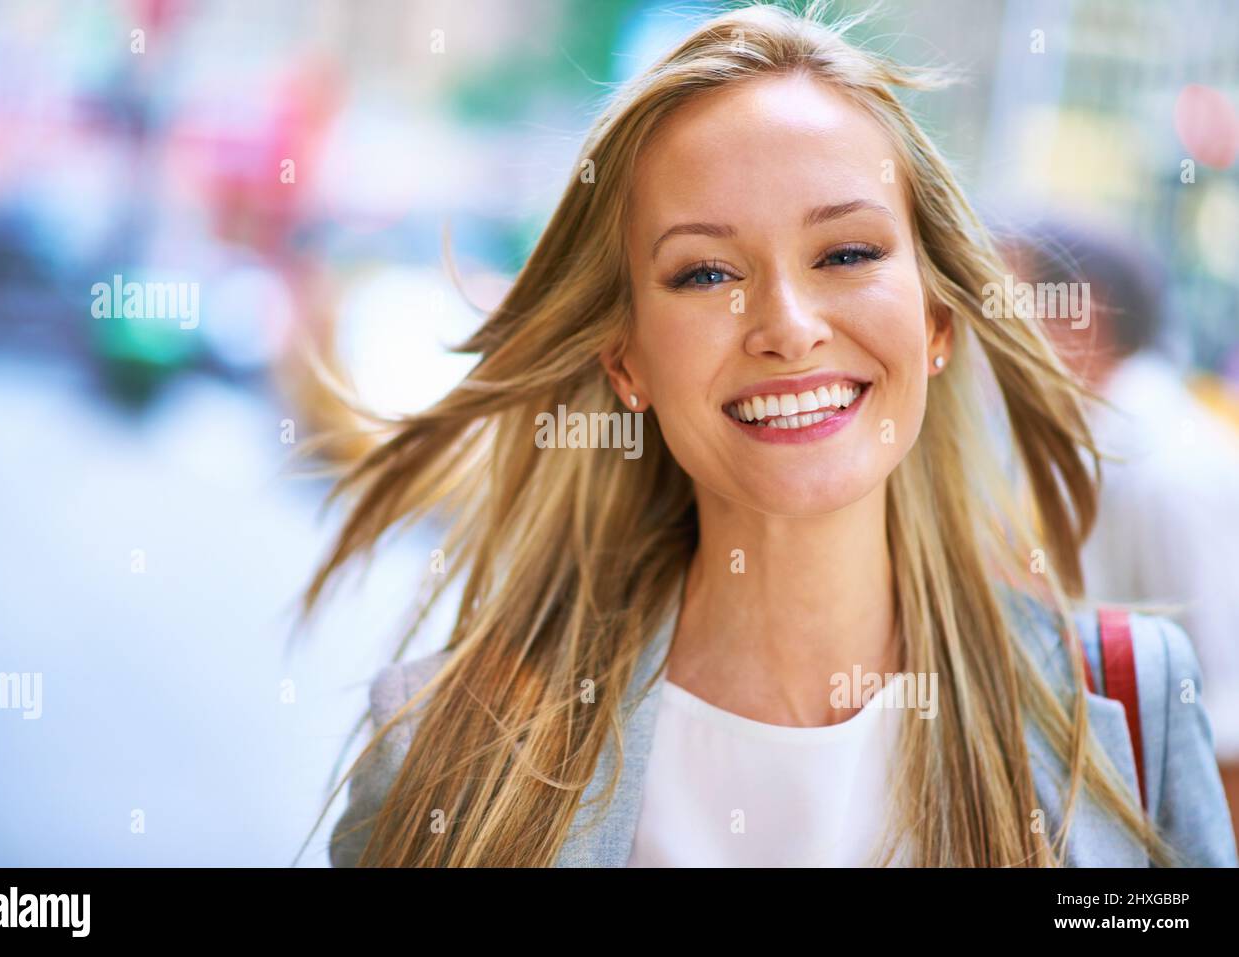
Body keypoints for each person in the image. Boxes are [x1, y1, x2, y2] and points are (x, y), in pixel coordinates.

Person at [308, 4, 1237, 867]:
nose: (788, 327)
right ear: (626, 360)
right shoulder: (449, 750)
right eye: (706, 273)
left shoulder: (1133, 709)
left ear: (939, 320)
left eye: (846, 253)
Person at [1004, 214, 1239, 847]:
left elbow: (1225, 706)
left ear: (1080, 320)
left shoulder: (1169, 469)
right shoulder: (1094, 453)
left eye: (1005, 303)